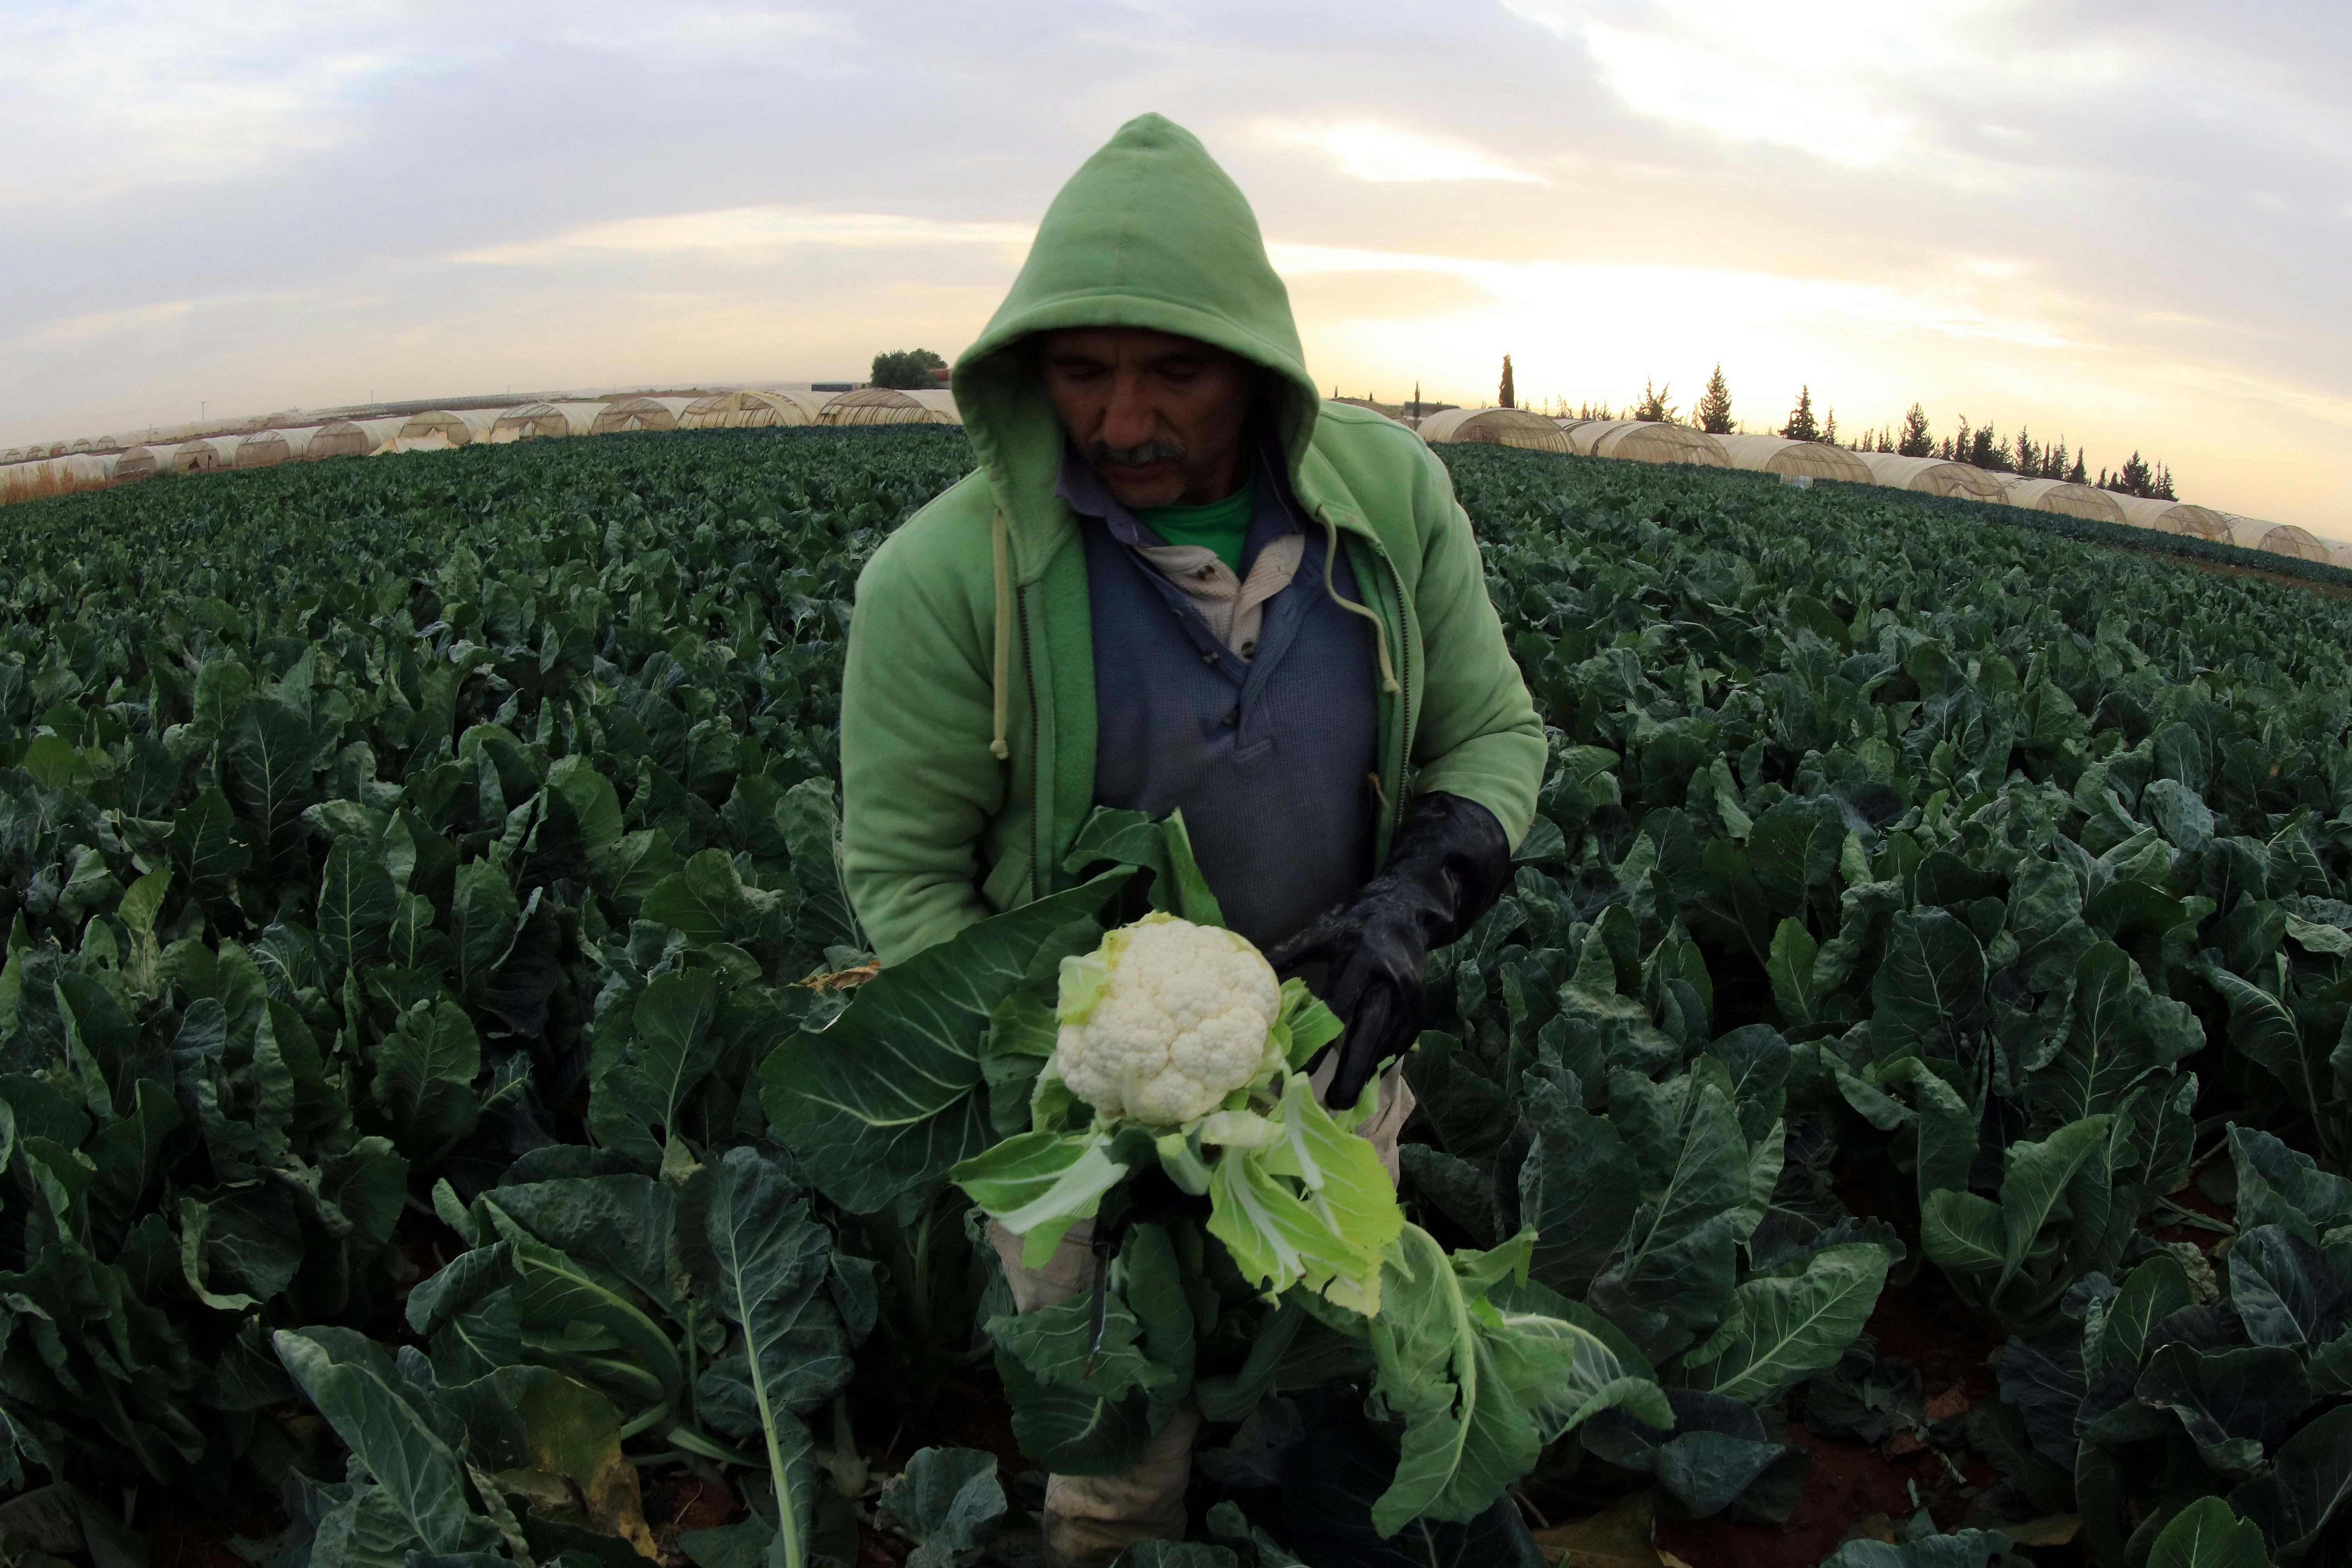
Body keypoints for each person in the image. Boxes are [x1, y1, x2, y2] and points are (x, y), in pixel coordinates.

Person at [839, 113, 1543, 1564]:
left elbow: (1496, 737)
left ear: (1260, 366)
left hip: (1330, 1065)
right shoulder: (938, 581)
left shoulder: (1393, 500)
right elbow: (903, 873)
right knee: (1111, 1460)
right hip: (1065, 1120)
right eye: (1084, 373)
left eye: (1176, 371)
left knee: (1352, 1397)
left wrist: (1409, 907)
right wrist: (1076, 1072)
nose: (1125, 422)